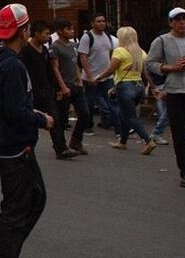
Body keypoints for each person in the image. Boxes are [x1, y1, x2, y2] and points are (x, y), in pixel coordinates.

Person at [0, 3, 53, 258]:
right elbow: (16, 110)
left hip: (7, 142)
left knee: (34, 198)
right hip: (13, 145)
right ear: (24, 30)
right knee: (19, 205)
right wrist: (41, 119)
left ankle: (4, 246)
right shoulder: (11, 65)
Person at [146, 7, 185, 188]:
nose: (182, 23)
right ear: (170, 23)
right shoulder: (162, 41)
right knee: (179, 134)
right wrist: (171, 68)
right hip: (175, 92)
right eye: (178, 20)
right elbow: (150, 64)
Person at [19, 21, 78, 160]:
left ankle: (61, 148)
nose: (48, 37)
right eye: (45, 34)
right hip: (31, 92)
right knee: (29, 122)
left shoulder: (44, 51)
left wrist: (57, 88)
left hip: (45, 91)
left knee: (54, 119)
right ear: (36, 34)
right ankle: (25, 148)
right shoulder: (26, 50)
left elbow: (49, 71)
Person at [95, 26, 158, 155]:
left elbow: (111, 70)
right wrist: (153, 87)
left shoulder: (120, 51)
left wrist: (99, 77)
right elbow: (146, 73)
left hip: (125, 87)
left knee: (130, 116)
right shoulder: (141, 52)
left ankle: (148, 140)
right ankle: (122, 141)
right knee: (124, 114)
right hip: (139, 87)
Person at [49, 19, 91, 154]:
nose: (72, 31)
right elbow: (55, 68)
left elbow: (75, 64)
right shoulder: (55, 47)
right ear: (60, 31)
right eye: (68, 29)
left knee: (85, 114)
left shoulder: (74, 45)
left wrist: (80, 80)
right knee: (62, 118)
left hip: (76, 85)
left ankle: (76, 141)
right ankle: (61, 146)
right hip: (64, 85)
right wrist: (62, 86)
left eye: (72, 29)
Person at [78, 14, 118, 132]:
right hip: (91, 77)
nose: (102, 23)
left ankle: (117, 128)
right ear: (92, 23)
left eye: (103, 21)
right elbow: (83, 57)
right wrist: (90, 76)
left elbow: (110, 54)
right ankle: (88, 126)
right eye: (98, 21)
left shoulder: (108, 36)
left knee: (112, 102)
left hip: (106, 77)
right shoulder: (87, 37)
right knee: (89, 103)